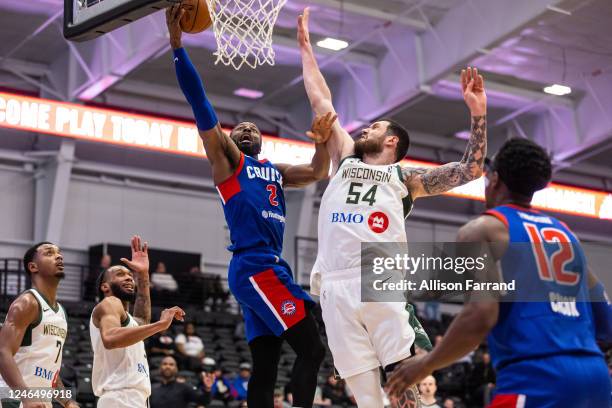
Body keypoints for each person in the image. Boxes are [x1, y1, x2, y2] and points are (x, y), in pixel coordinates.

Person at [297, 7, 487, 407]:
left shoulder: (406, 179)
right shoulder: (345, 155)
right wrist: (304, 47)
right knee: (365, 394)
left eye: (376, 127)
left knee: (403, 376)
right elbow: (321, 99)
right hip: (332, 281)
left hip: (375, 273)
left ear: (392, 142)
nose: (366, 129)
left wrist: (477, 115)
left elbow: (470, 169)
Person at [165, 5, 331, 407]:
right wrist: (176, 46)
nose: (247, 128)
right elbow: (201, 105)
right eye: (240, 126)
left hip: (268, 266)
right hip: (256, 266)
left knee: (266, 364)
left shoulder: (275, 171)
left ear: (261, 141)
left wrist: (323, 137)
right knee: (312, 349)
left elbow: (317, 170)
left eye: (253, 128)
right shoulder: (227, 161)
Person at [388, 138, 612, 407]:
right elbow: (604, 317)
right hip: (595, 377)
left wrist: (425, 363)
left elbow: (480, 315)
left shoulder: (483, 229)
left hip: (536, 376)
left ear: (493, 179)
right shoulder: (565, 234)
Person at [90, 235, 185, 407]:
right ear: (105, 287)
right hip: (119, 397)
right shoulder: (109, 303)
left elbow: (141, 320)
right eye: (120, 274)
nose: (128, 278)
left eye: (129, 275)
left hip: (134, 398)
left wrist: (142, 275)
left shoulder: (126, 319)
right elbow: (111, 338)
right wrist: (160, 325)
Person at [0, 242, 79, 408]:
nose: (59, 256)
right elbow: (3, 352)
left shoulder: (61, 312)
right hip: (14, 399)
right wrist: (26, 397)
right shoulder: (27, 302)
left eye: (59, 253)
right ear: (33, 266)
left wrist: (67, 401)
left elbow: (50, 371)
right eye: (49, 253)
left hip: (40, 400)